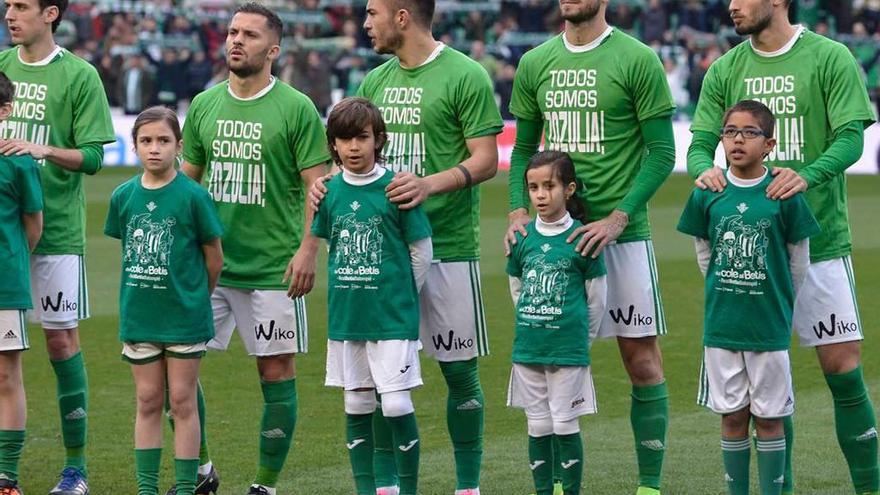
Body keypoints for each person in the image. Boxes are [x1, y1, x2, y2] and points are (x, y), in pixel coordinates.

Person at [686, 1, 878, 493]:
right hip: (746, 254)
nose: (731, 5)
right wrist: (700, 168)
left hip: (820, 239)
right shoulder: (725, 68)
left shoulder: (830, 56)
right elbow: (699, 140)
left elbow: (852, 138)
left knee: (843, 368)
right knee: (764, 390)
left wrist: (805, 175)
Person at [312, 1, 503, 493]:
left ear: (402, 16)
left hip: (449, 246)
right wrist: (327, 182)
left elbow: (485, 160)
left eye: (372, 12)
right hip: (379, 257)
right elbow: (355, 160)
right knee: (378, 386)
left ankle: (467, 486)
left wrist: (427, 186)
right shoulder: (374, 82)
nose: (365, 22)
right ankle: (385, 487)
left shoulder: (466, 75)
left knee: (460, 373)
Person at [505, 1, 676, 493]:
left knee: (640, 358)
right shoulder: (535, 61)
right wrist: (519, 209)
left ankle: (648, 486)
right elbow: (522, 147)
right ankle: (557, 486)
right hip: (553, 239)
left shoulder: (637, 58)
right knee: (549, 357)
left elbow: (663, 152)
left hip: (621, 237)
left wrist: (619, 217)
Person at [179, 3, 331, 495]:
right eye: (231, 31)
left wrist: (308, 249)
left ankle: (264, 485)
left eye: (248, 34)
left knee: (275, 373)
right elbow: (187, 188)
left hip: (272, 268)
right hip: (208, 267)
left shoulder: (296, 108)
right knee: (174, 367)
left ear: (274, 49)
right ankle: (201, 471)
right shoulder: (204, 106)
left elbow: (319, 188)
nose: (235, 40)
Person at [0, 1, 115, 493]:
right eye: (7, 5)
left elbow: (92, 157)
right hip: (4, 237)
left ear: (50, 13)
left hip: (58, 231)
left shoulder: (80, 76)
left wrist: (42, 149)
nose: (9, 13)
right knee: (4, 359)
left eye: (21, 5)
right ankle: (7, 472)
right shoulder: (1, 67)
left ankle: (76, 469)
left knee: (61, 342)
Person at [678, 100, 820, 495]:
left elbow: (799, 260)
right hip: (723, 325)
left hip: (768, 326)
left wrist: (777, 298)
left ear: (769, 144)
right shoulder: (708, 191)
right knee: (731, 416)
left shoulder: (783, 193)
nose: (737, 140)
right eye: (729, 132)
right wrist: (728, 284)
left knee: (771, 418)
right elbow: (704, 251)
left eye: (749, 132)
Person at [314, 97, 433, 495]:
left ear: (378, 139)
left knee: (397, 405)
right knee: (357, 405)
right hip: (348, 316)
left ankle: (408, 488)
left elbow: (422, 251)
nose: (352, 147)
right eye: (343, 139)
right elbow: (332, 246)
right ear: (333, 145)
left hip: (392, 315)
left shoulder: (396, 186)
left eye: (361, 138)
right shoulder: (328, 192)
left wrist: (399, 294)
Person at [104, 107, 223, 495]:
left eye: (163, 141)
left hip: (184, 317)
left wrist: (195, 299)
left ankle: (187, 488)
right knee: (148, 399)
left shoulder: (193, 196)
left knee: (183, 401)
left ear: (179, 146)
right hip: (140, 315)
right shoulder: (123, 196)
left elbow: (214, 257)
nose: (154, 149)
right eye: (146, 141)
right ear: (135, 145)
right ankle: (147, 489)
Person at [506, 151, 606, 495]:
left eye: (549, 186)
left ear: (570, 189)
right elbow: (517, 289)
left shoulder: (583, 239)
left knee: (564, 424)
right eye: (533, 188)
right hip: (529, 348)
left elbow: (596, 299)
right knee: (537, 426)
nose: (540, 195)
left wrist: (580, 338)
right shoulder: (520, 239)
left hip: (569, 349)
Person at [0, 70, 43, 495]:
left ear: (5, 110)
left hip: (4, 284)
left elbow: (33, 227)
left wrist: (10, 262)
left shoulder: (19, 162)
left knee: (5, 377)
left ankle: (6, 475)